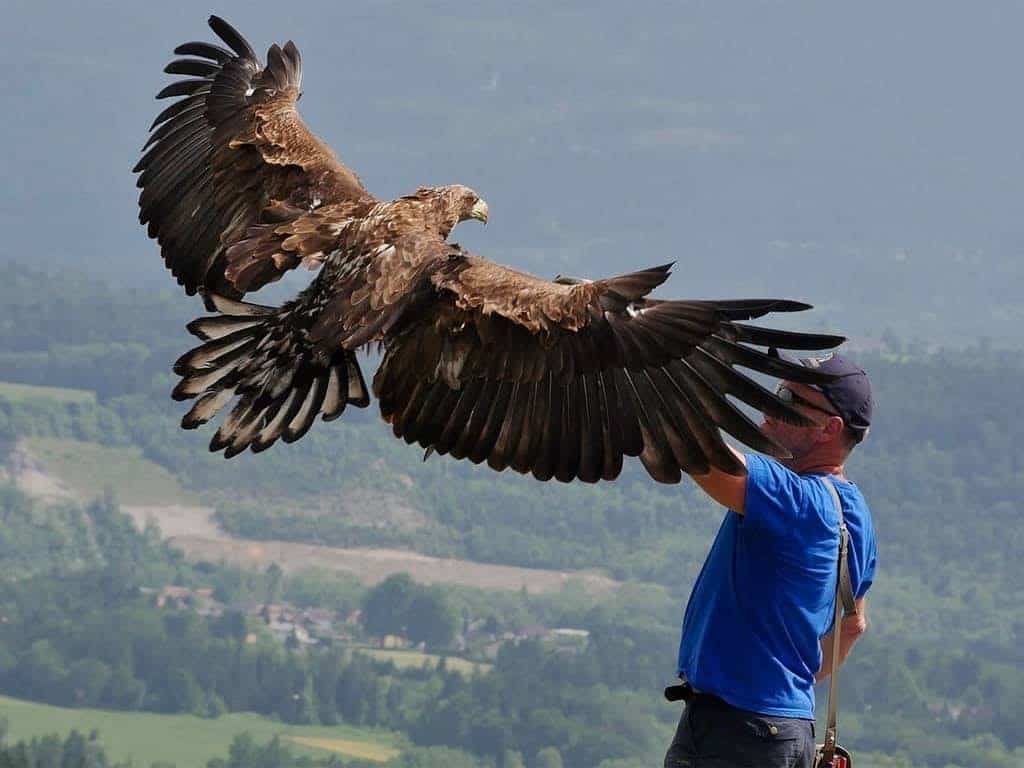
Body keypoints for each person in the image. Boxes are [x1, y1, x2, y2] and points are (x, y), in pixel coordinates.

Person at [664, 352, 878, 768]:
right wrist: (784, 686)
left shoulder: (797, 500)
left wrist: (637, 365)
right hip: (780, 727)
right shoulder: (854, 514)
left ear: (828, 428)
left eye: (788, 398)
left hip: (737, 731)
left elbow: (698, 454)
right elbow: (852, 624)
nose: (769, 407)